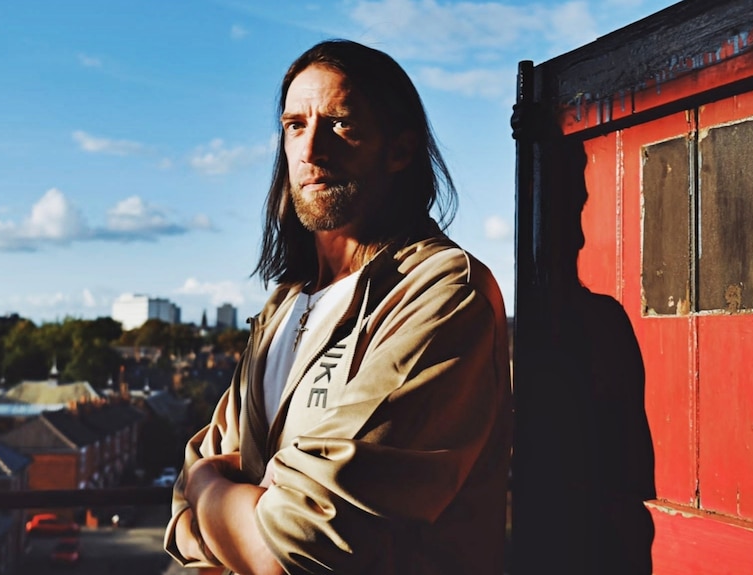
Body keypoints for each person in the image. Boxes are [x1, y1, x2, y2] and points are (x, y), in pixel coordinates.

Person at [164, 38, 512, 575]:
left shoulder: (441, 292)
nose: (310, 150)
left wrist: (210, 487)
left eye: (340, 123)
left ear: (399, 150)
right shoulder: (281, 308)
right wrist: (234, 506)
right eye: (295, 125)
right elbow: (180, 519)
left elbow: (304, 545)